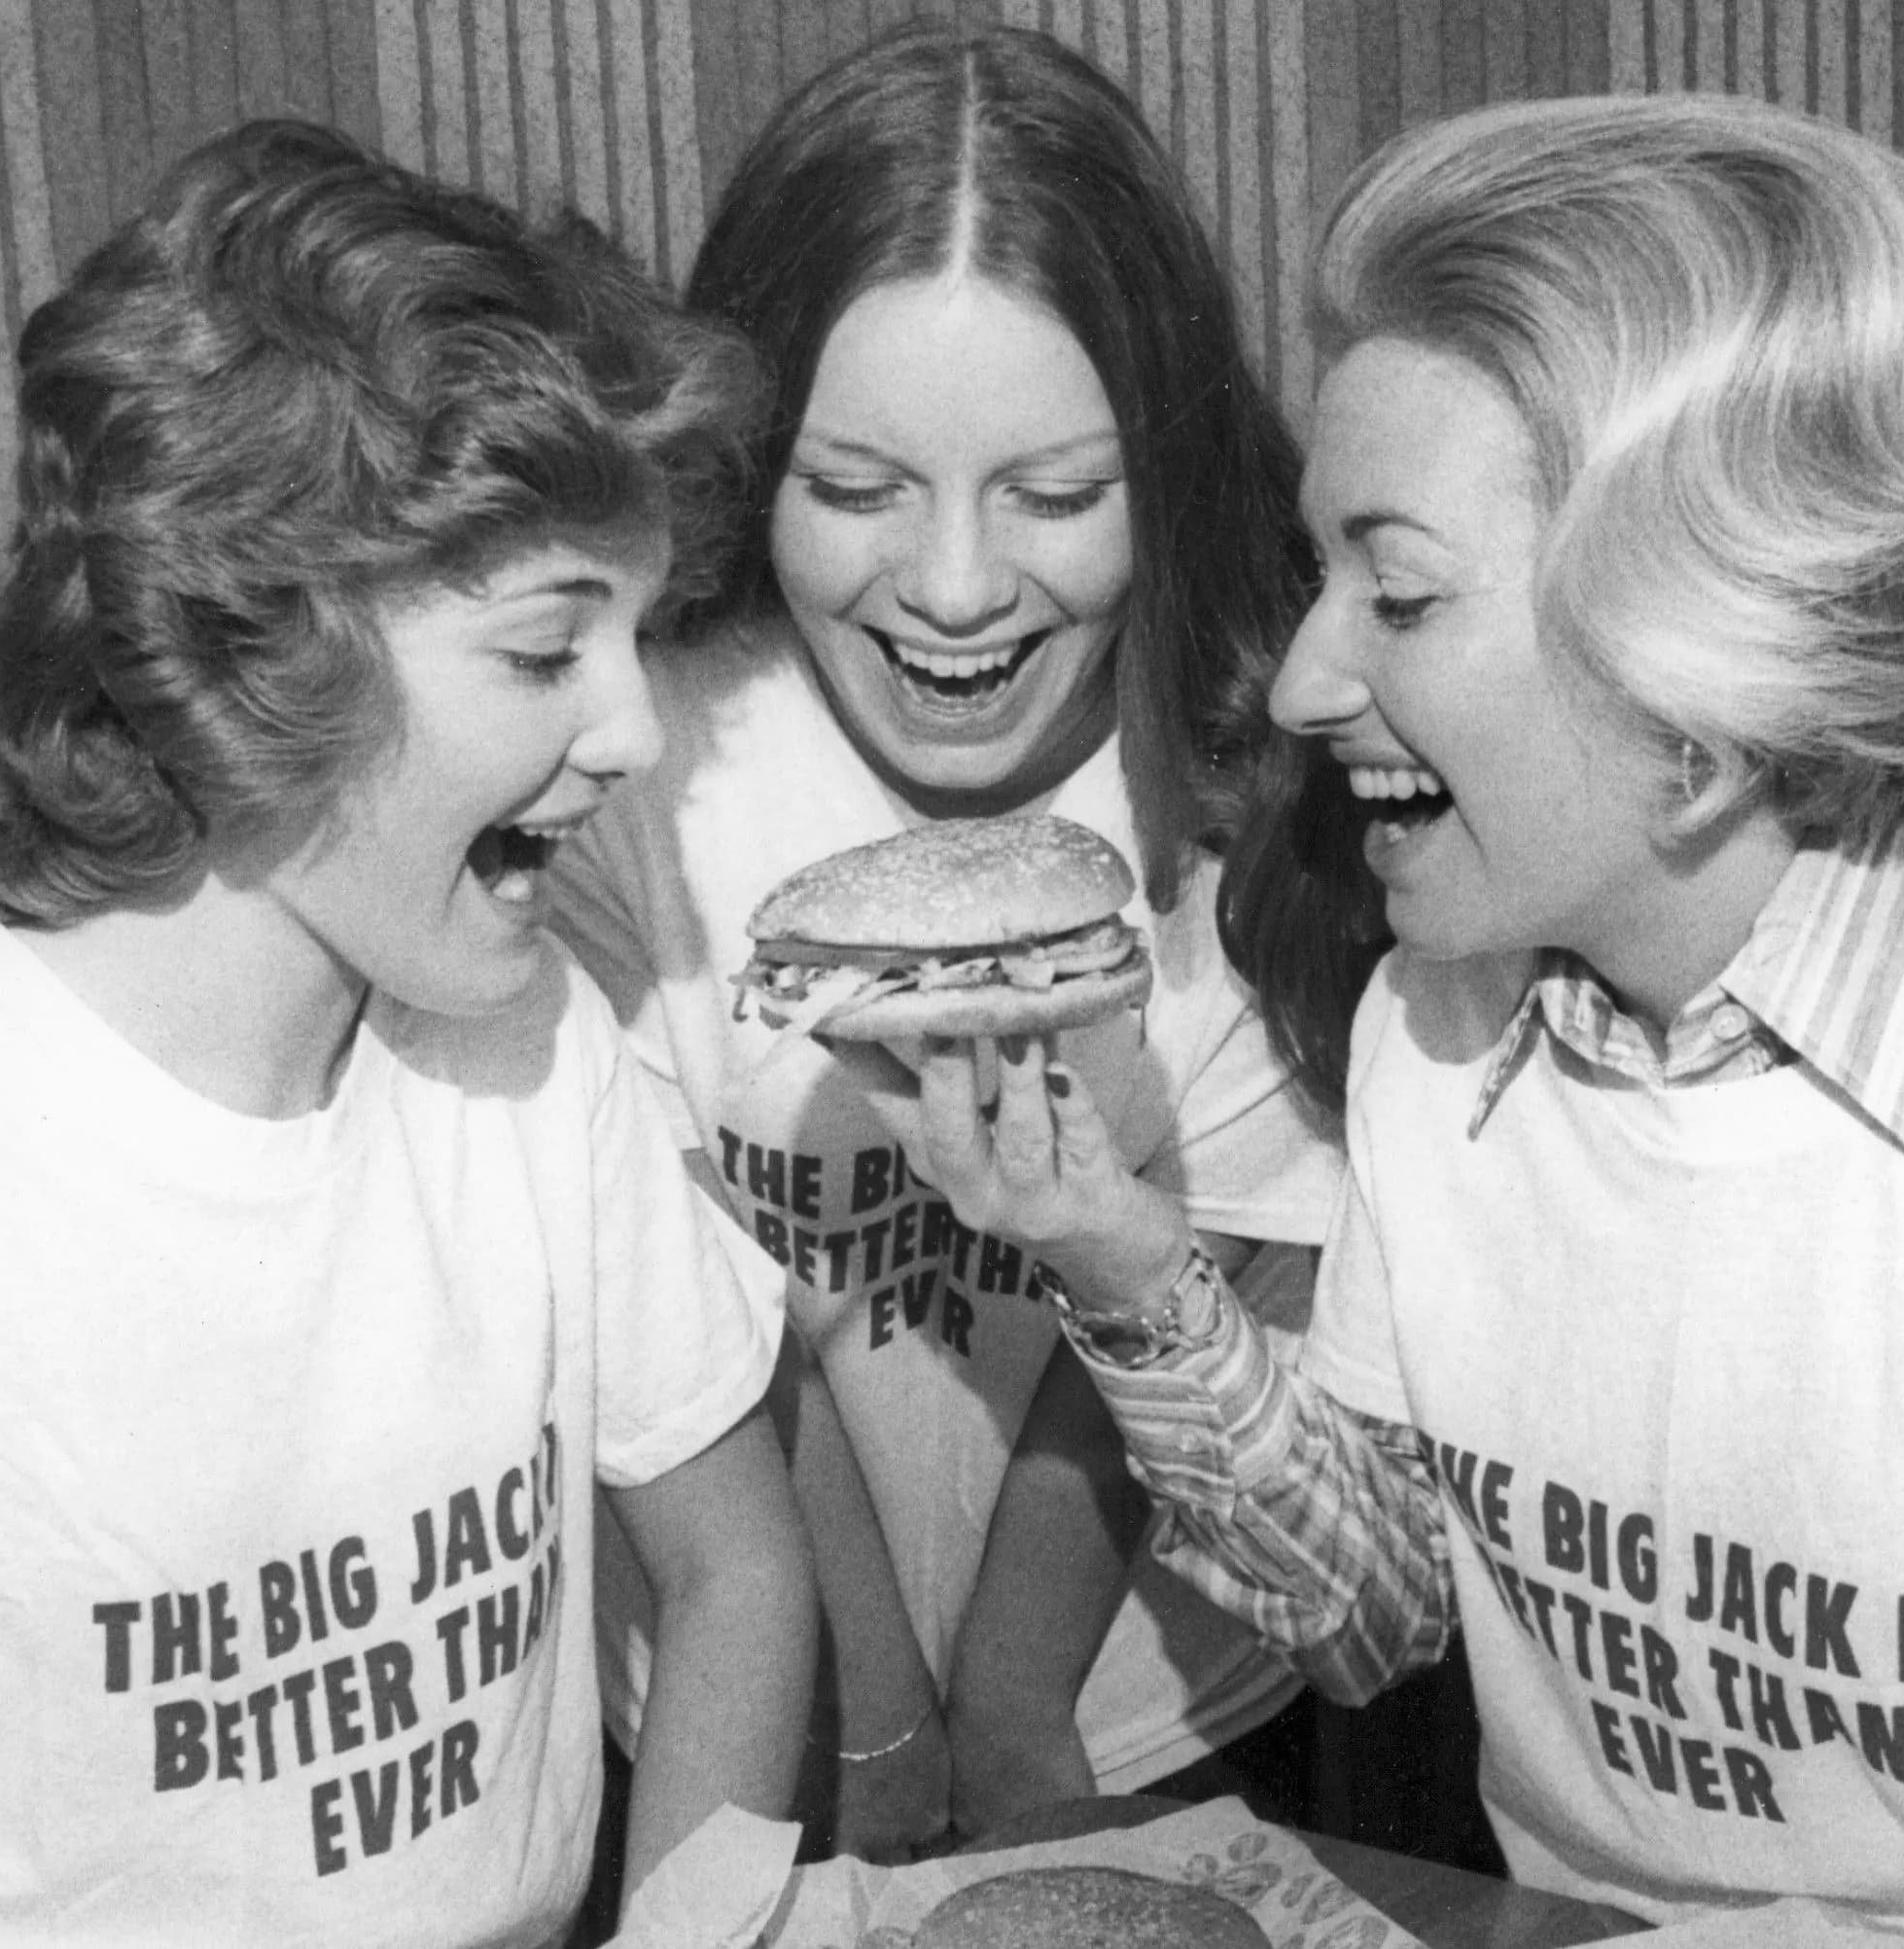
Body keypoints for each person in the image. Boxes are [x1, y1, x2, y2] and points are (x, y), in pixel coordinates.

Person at [864, 92, 1904, 1946]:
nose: (1304, 678)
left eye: (1399, 590)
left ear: (1707, 669)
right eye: (1321, 580)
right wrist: (1118, 1256)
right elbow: (1382, 1619)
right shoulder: (1434, 1026)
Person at [0, 120, 814, 1945]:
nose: (631, 729)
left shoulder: (540, 1064)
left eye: (639, 635)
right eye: (547, 651)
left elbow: (742, 1578)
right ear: (245, 647)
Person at [544, 22, 1341, 1862]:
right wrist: (888, 1715)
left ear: (1168, 459)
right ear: (751, 468)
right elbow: (710, 1337)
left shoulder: (1264, 764)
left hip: (1156, 1719)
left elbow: (1211, 1276)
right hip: (737, 1719)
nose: (961, 589)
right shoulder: (637, 759)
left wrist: (1007, 1704)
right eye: (855, 490)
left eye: (1057, 495)